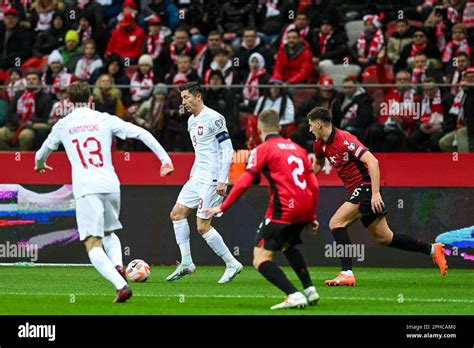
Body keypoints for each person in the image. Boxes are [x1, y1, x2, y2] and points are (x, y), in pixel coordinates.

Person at [34, 82, 174, 303]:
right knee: (108, 234)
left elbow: (41, 154)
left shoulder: (63, 124)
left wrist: (40, 164)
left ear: (68, 103)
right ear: (91, 100)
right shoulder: (105, 119)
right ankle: (117, 266)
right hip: (110, 185)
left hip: (86, 188)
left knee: (92, 242)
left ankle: (121, 285)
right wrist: (165, 160)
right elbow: (141, 133)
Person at [307, 107, 448, 286]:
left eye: (311, 126)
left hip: (365, 187)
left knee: (336, 223)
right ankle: (432, 250)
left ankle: (346, 273)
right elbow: (318, 164)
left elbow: (373, 161)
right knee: (385, 238)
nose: (310, 130)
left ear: (319, 124)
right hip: (358, 190)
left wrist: (374, 194)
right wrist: (304, 178)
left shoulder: (345, 139)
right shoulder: (320, 144)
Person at [205, 109, 320, 310]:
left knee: (260, 258)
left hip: (283, 209)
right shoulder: (298, 149)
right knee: (288, 246)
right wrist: (311, 216)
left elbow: (243, 183)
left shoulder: (262, 149)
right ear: (279, 127)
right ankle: (310, 290)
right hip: (304, 207)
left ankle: (293, 295)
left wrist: (222, 206)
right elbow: (314, 185)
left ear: (258, 129)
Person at [166, 82, 243, 283]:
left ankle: (232, 263)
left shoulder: (215, 118)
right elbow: (200, 152)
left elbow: (227, 149)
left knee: (202, 226)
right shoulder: (191, 121)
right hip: (197, 177)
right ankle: (186, 262)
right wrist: (193, 174)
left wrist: (222, 180)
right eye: (182, 98)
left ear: (198, 96)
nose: (184, 102)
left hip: (212, 178)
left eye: (186, 97)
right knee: (177, 214)